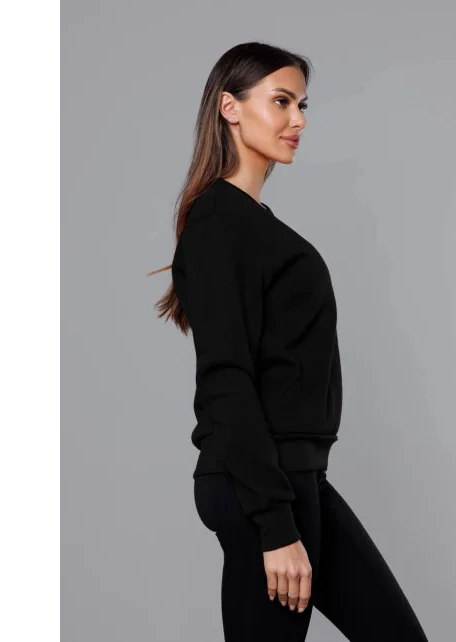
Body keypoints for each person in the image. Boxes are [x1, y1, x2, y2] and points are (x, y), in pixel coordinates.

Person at [149, 42, 429, 641]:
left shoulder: (252, 224)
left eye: (302, 105)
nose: (297, 119)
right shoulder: (219, 225)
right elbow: (226, 380)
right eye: (281, 101)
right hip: (261, 486)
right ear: (230, 107)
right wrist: (274, 525)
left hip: (297, 476)